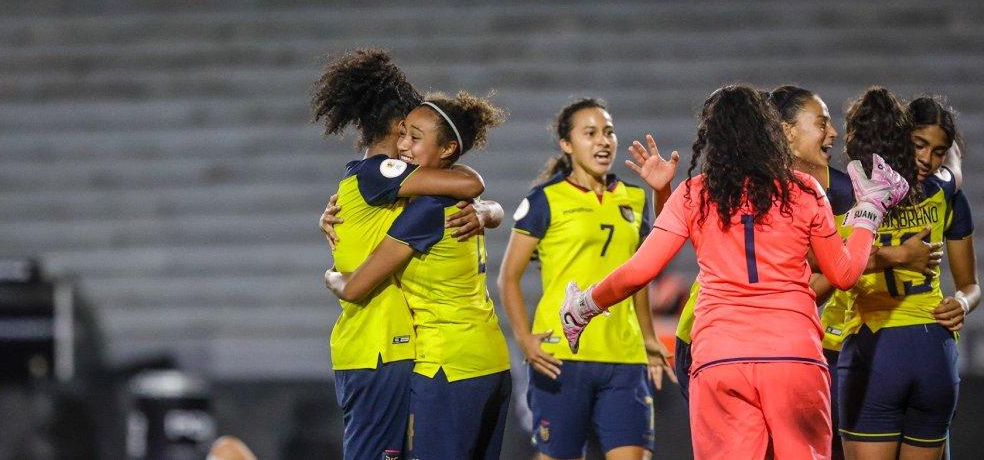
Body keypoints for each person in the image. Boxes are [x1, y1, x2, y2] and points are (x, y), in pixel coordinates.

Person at [560, 84, 909, 460]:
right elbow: (843, 274)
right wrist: (869, 212)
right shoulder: (805, 190)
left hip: (719, 358)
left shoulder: (694, 193)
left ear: (712, 137)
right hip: (794, 356)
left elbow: (639, 270)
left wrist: (584, 306)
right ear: (770, 131)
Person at [310, 49, 498, 460]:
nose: (411, 144)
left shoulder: (374, 183)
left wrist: (488, 213)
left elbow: (464, 188)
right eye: (410, 132)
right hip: (380, 350)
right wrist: (332, 278)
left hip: (378, 348)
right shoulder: (382, 174)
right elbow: (467, 183)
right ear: (399, 127)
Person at [496, 98, 672, 460]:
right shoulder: (545, 199)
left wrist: (649, 337)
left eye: (608, 132)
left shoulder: (635, 197)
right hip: (561, 357)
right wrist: (524, 338)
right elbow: (508, 277)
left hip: (624, 355)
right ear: (566, 144)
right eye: (589, 133)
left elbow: (637, 275)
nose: (603, 141)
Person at [837, 90, 976, 460]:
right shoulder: (946, 191)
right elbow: (953, 175)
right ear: (901, 136)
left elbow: (835, 267)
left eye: (937, 151)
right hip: (935, 352)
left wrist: (961, 302)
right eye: (919, 145)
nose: (927, 159)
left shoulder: (853, 191)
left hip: (875, 347)